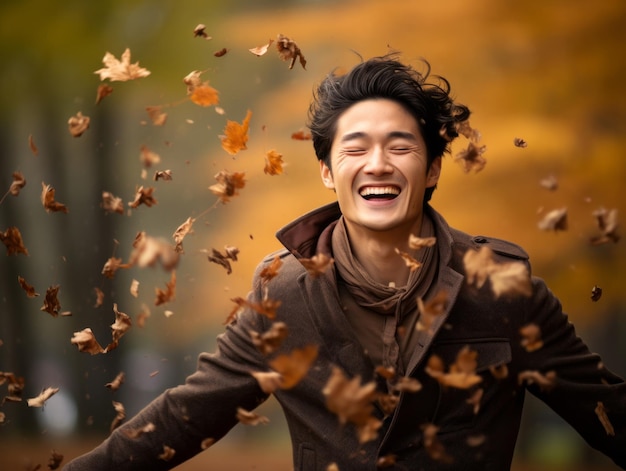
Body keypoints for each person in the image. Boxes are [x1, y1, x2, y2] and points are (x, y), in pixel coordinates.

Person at [64, 54, 626, 470]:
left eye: (401, 147)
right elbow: (181, 420)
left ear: (432, 170)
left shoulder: (503, 288)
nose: (378, 165)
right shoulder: (279, 295)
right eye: (355, 149)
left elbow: (606, 413)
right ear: (329, 173)